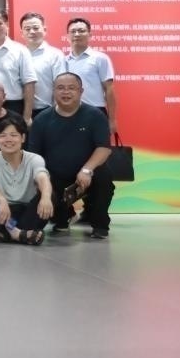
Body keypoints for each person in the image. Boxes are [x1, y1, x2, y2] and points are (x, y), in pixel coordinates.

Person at [28, 72, 114, 239]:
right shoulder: (41, 119)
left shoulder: (95, 115)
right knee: (41, 182)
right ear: (53, 91)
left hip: (87, 173)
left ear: (81, 91)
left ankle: (100, 224)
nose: (66, 92)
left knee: (103, 177)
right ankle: (62, 217)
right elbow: (34, 155)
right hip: (55, 175)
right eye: (60, 88)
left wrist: (87, 170)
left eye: (71, 88)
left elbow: (104, 148)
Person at [0, 118, 53, 245]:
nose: (8, 139)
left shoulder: (34, 159)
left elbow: (42, 177)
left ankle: (4, 233)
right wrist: (2, 200)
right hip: (3, 211)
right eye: (3, 136)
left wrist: (46, 197)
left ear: (23, 138)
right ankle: (19, 233)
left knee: (49, 193)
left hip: (27, 212)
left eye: (13, 135)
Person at [63, 17, 118, 135]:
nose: (77, 34)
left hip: (96, 111)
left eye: (81, 31)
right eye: (73, 31)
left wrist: (112, 120)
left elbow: (109, 89)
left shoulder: (100, 58)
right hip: (69, 113)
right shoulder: (63, 61)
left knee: (99, 145)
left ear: (90, 35)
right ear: (67, 36)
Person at [20, 11, 67, 116]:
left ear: (44, 30)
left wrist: (57, 113)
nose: (32, 32)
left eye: (36, 28)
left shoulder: (55, 55)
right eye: (27, 29)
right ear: (21, 33)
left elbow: (60, 85)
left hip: (46, 110)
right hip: (20, 110)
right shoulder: (18, 54)